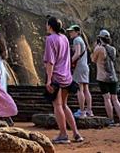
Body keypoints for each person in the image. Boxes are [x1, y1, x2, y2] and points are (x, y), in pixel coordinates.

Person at [44, 17, 83, 145]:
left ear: (50, 26)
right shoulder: (64, 38)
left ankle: (63, 134)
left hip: (56, 76)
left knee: (58, 105)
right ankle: (76, 133)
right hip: (66, 76)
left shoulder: (50, 39)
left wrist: (48, 80)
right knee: (65, 105)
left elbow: (50, 61)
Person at [91, 30, 120, 127]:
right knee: (115, 99)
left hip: (103, 76)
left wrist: (95, 48)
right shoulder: (113, 49)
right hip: (113, 76)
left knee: (107, 98)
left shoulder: (99, 49)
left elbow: (93, 59)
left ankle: (111, 120)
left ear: (100, 38)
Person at [67, 25, 93, 118]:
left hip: (79, 67)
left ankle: (82, 111)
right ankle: (89, 111)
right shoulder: (81, 40)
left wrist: (69, 62)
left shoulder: (77, 40)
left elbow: (77, 54)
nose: (70, 33)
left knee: (80, 89)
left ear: (77, 32)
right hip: (85, 66)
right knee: (86, 89)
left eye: (72, 31)